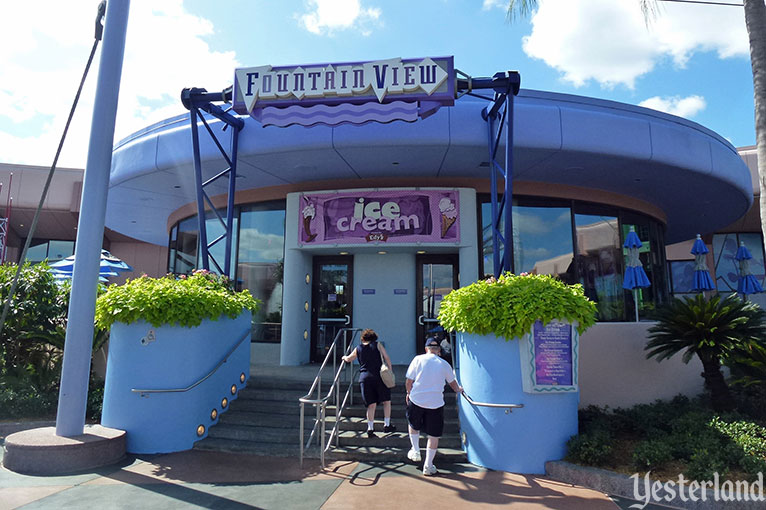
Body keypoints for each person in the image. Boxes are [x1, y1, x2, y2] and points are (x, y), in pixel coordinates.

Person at [405, 337, 463, 476]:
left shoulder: (417, 360)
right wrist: (458, 390)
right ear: (439, 351)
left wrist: (408, 392)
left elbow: (409, 380)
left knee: (413, 424)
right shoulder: (444, 364)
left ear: (426, 349)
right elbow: (453, 383)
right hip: (436, 403)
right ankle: (428, 465)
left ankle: (416, 450)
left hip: (417, 398)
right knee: (434, 435)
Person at [342, 328, 396, 437]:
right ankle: (387, 424)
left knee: (371, 405)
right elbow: (387, 358)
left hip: (365, 378)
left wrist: (344, 357)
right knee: (386, 401)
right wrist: (390, 371)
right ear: (374, 337)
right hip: (380, 377)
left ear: (363, 338)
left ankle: (370, 428)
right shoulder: (378, 345)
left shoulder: (358, 348)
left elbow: (349, 359)